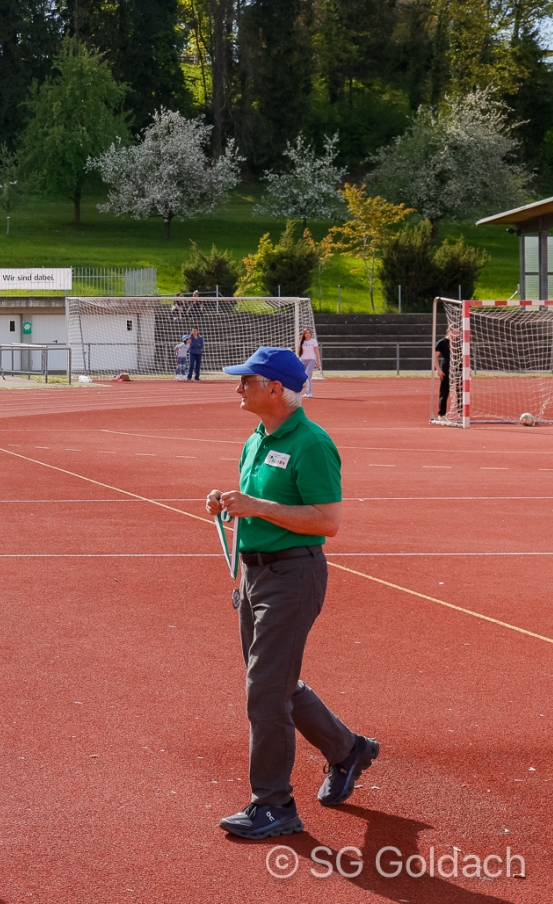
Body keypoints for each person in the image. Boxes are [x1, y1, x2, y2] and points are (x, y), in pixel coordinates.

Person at [204, 346, 378, 840]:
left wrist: (257, 506)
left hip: (292, 576)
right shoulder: (257, 438)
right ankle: (347, 749)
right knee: (274, 683)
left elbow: (327, 521)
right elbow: (261, 503)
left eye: (247, 381)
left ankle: (274, 804)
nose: (238, 388)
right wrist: (228, 503)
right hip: (255, 575)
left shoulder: (311, 443)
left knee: (265, 690)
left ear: (275, 388)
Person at [435, 326, 455, 418]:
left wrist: (468, 369)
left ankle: (461, 413)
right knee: (444, 391)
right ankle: (442, 414)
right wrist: (438, 369)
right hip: (446, 369)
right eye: (454, 332)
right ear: (448, 331)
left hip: (458, 369)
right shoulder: (442, 342)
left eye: (457, 332)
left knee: (461, 391)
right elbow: (435, 357)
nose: (456, 334)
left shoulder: (459, 342)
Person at [299, 328, 320, 398]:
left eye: (309, 333)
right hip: (303, 360)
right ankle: (306, 392)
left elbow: (316, 352)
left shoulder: (313, 341)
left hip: (311, 360)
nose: (308, 334)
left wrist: (318, 362)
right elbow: (300, 352)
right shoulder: (302, 342)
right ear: (304, 334)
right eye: (306, 333)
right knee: (303, 376)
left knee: (308, 375)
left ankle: (310, 392)